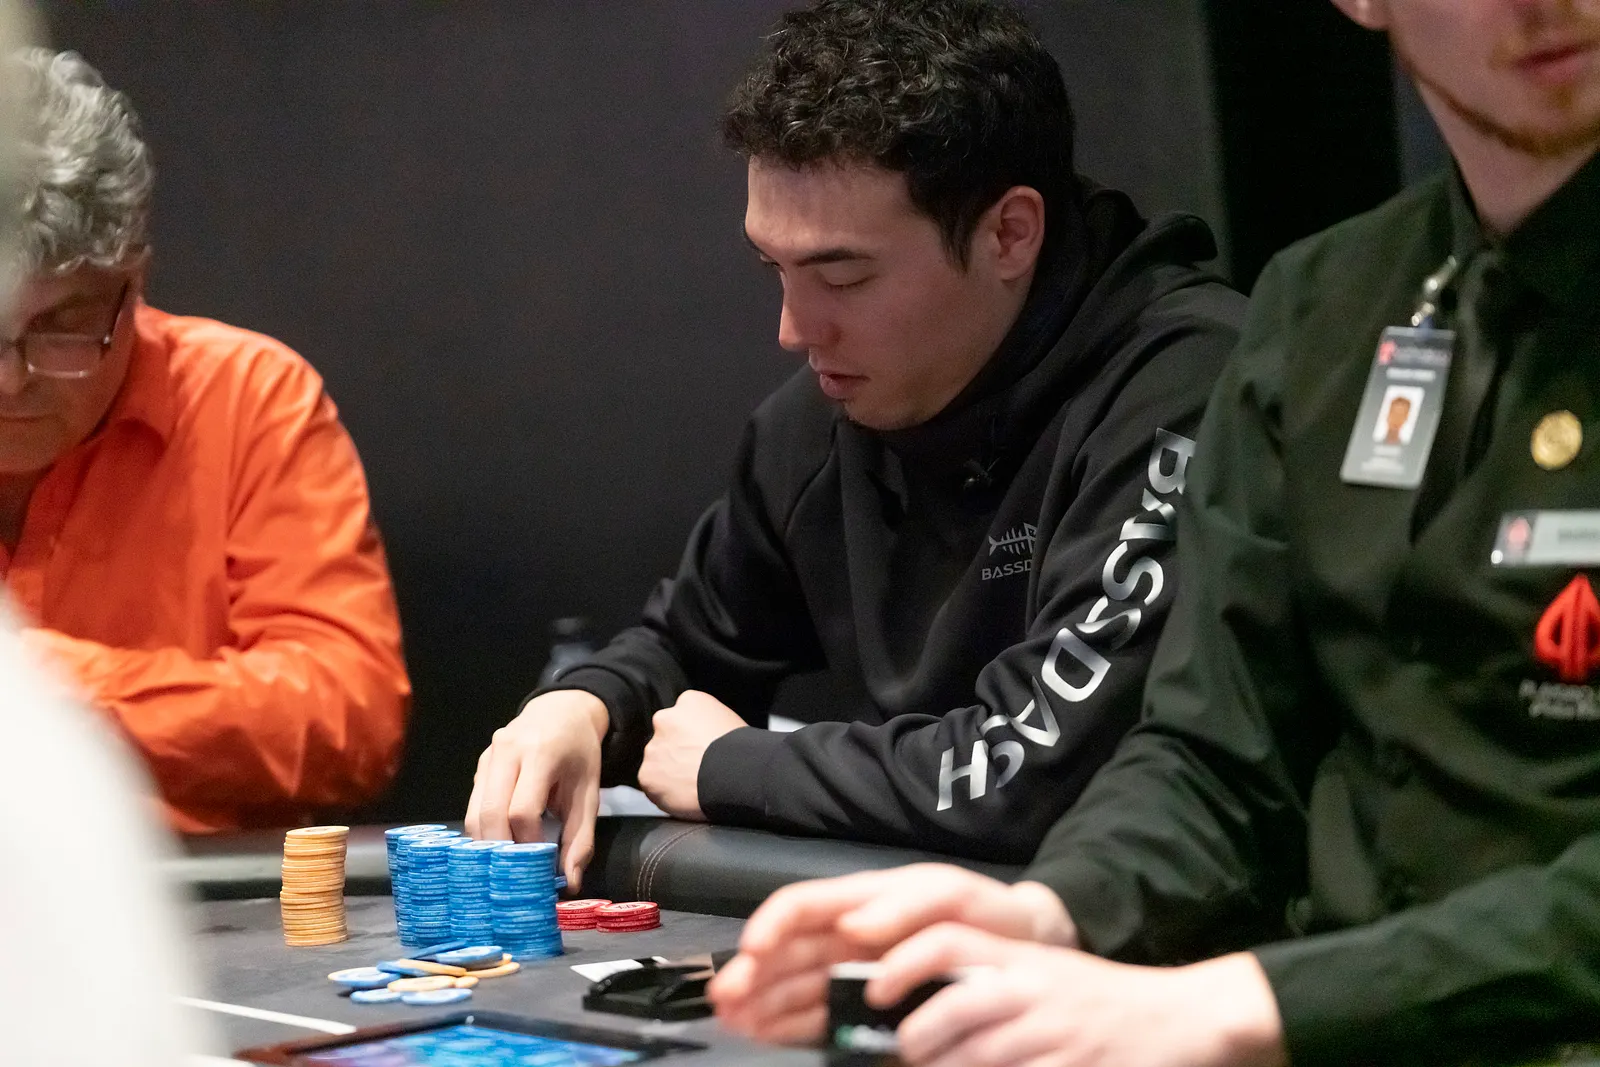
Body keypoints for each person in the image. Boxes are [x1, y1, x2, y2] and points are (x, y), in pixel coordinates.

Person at [709, 0, 1600, 1064]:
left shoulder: (1185, 355)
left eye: (844, 274)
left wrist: (1244, 1003)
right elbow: (1215, 755)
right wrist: (1049, 913)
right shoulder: (1326, 305)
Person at [467, 0, 1243, 886]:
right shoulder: (822, 420)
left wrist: (739, 768)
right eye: (776, 268)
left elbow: (1037, 775)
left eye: (842, 276)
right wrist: (586, 705)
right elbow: (689, 646)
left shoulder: (1189, 388)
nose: (794, 330)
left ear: (1009, 234)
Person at [2, 48, 410, 833]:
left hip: (194, 892)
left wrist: (53, 687)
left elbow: (350, 714)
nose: (11, 380)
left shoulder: (249, 398)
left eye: (61, 327)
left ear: (135, 279)